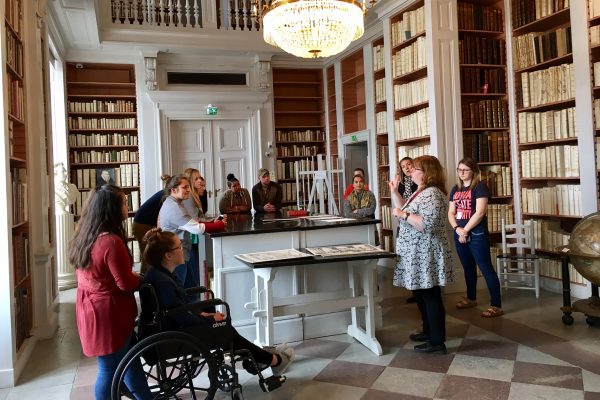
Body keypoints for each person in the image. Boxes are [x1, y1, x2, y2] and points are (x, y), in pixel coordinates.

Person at [140, 228, 295, 377]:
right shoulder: (163, 281)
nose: (183, 248)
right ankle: (274, 361)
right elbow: (181, 316)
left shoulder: (159, 274)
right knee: (225, 330)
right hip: (173, 334)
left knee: (223, 326)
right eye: (179, 247)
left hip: (170, 327)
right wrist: (209, 318)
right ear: (168, 255)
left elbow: (180, 307)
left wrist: (204, 314)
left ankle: (261, 356)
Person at [68, 184, 151, 400]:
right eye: (124, 202)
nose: (127, 206)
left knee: (130, 362)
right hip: (109, 314)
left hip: (92, 308)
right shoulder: (111, 241)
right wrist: (141, 279)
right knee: (109, 369)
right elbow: (125, 283)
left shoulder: (86, 235)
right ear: (112, 209)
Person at [389, 155, 454, 354]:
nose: (412, 172)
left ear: (427, 173)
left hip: (426, 253)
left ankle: (437, 342)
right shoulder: (420, 192)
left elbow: (426, 223)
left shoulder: (432, 194)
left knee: (430, 295)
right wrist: (394, 191)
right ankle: (428, 332)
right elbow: (402, 207)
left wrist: (403, 215)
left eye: (416, 169)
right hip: (416, 253)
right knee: (421, 294)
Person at [448, 157, 503, 318]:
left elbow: (479, 213)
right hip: (459, 232)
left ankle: (496, 305)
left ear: (473, 171)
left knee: (486, 268)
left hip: (476, 233)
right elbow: (451, 212)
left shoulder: (480, 187)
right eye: (459, 170)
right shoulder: (455, 189)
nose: (462, 173)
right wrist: (457, 229)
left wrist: (465, 230)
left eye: (465, 170)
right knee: (468, 268)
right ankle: (471, 298)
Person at [158, 175, 226, 295]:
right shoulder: (175, 208)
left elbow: (191, 222)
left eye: (189, 187)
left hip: (180, 252)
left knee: (190, 289)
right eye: (185, 187)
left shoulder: (173, 202)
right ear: (174, 190)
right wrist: (220, 225)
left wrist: (211, 222)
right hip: (176, 255)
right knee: (181, 292)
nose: (189, 190)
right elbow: (197, 229)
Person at [132, 174, 170, 273]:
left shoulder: (167, 194)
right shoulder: (168, 196)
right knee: (149, 257)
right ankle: (147, 285)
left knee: (149, 257)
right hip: (143, 225)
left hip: (143, 223)